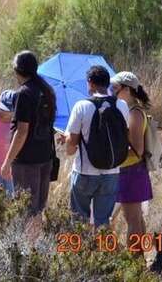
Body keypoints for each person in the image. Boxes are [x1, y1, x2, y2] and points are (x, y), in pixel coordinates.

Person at [58, 65, 130, 227]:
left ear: (90, 83)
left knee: (79, 221)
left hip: (85, 172)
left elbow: (71, 148)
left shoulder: (82, 106)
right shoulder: (122, 106)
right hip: (112, 172)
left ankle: (79, 252)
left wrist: (68, 140)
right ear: (107, 83)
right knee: (103, 221)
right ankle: (103, 252)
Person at [1, 51, 57, 217]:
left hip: (26, 161)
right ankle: (37, 242)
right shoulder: (47, 90)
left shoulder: (24, 93)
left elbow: (22, 131)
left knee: (26, 210)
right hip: (46, 157)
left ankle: (28, 243)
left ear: (18, 70)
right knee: (38, 209)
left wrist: (7, 162)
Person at [111, 71, 154, 258]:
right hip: (131, 171)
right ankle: (139, 263)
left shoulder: (135, 114)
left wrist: (111, 157)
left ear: (126, 90)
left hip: (131, 171)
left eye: (115, 88)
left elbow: (137, 150)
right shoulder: (131, 111)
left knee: (133, 220)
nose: (112, 91)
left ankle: (135, 265)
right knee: (136, 219)